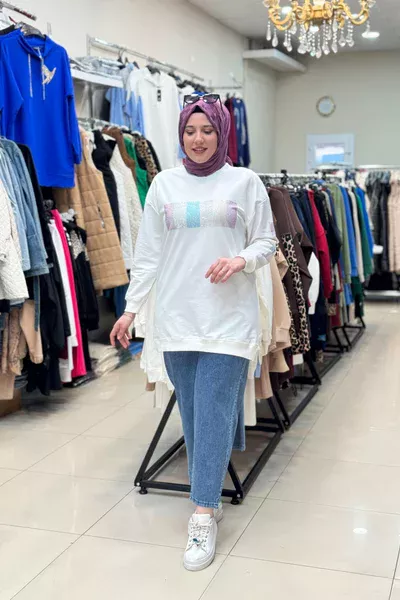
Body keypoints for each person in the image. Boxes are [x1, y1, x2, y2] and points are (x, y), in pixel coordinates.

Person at [110, 94, 277, 572]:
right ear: (180, 134)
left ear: (222, 133)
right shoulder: (164, 184)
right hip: (177, 321)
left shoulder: (244, 182)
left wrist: (241, 259)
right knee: (196, 414)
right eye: (189, 131)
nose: (198, 139)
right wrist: (129, 311)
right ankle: (212, 483)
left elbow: (267, 240)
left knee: (212, 410)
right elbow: (148, 255)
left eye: (207, 130)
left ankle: (203, 512)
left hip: (230, 320)